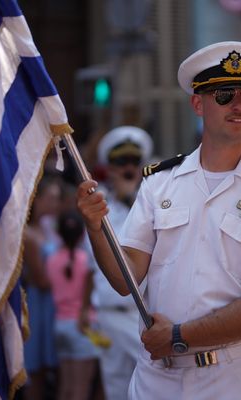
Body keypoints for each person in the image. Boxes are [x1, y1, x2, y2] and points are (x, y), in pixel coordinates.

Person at [76, 41, 241, 399]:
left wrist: (180, 337)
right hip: (158, 378)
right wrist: (95, 228)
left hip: (233, 379)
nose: (239, 105)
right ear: (198, 103)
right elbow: (125, 279)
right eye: (225, 94)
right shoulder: (159, 182)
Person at [83, 125, 153, 400]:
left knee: (149, 390)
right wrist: (84, 309)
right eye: (120, 163)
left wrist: (129, 195)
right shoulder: (100, 208)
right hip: (108, 316)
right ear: (109, 168)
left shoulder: (149, 205)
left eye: (133, 162)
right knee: (116, 389)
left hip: (139, 317)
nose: (127, 169)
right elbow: (92, 266)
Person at [47, 210, 99, 400]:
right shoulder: (87, 261)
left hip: (60, 324)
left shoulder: (52, 259)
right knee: (81, 389)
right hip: (82, 325)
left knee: (66, 387)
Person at [22, 175, 63, 400]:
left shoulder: (54, 229)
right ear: (36, 199)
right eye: (50, 198)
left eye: (57, 199)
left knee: (58, 370)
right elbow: (40, 280)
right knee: (35, 370)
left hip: (58, 305)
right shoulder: (28, 235)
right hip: (39, 306)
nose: (55, 204)